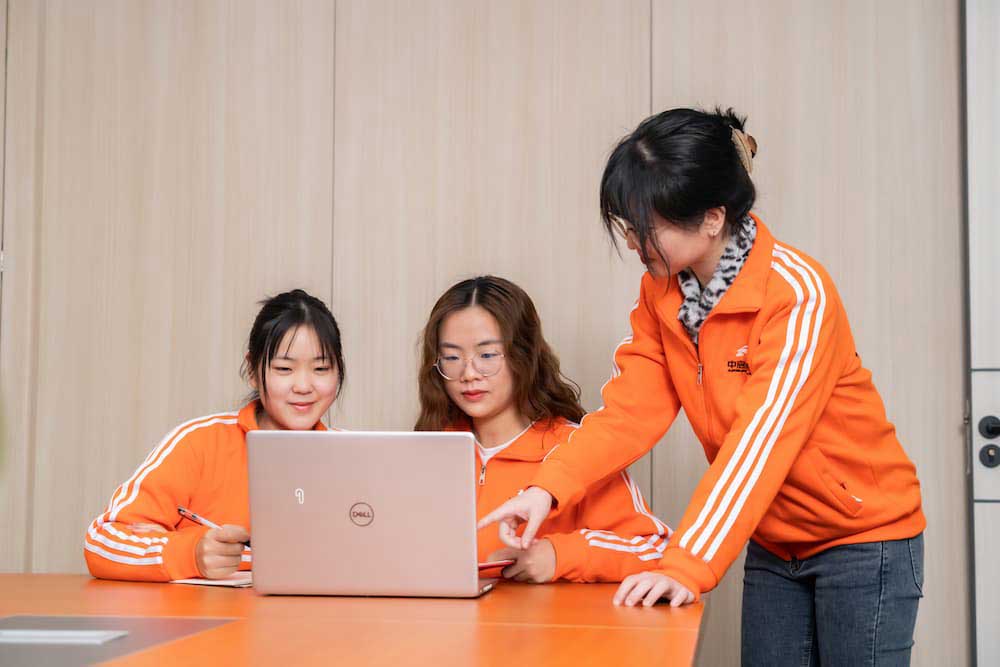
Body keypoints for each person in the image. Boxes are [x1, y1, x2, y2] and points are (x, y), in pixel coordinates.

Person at [478, 108, 925, 664]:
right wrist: (546, 488)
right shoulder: (661, 293)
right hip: (772, 539)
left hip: (864, 538)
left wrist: (684, 564)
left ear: (713, 218)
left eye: (648, 227)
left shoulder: (797, 294)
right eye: (626, 225)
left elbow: (758, 446)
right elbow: (628, 413)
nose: (636, 243)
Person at [416, 275, 670, 582]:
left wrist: (559, 555)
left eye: (487, 355)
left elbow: (656, 551)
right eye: (452, 357)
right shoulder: (427, 452)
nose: (469, 373)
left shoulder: (579, 451)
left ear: (523, 356)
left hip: (544, 628)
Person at [84, 289, 345, 581]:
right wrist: (191, 554)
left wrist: (234, 554)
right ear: (252, 370)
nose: (303, 385)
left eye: (321, 368)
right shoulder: (199, 443)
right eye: (284, 368)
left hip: (319, 622)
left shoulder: (353, 458)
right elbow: (102, 542)